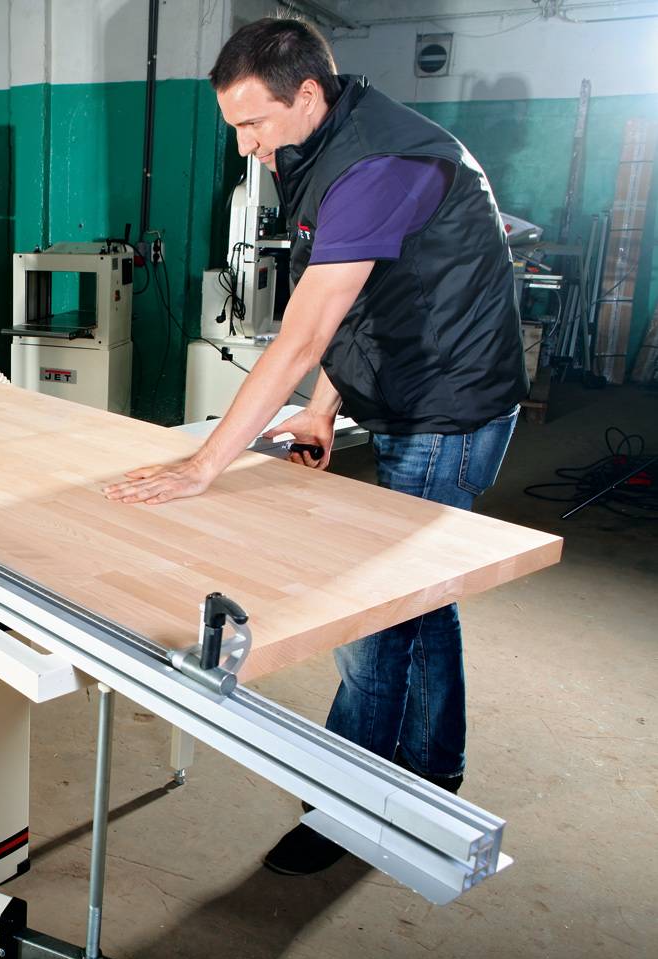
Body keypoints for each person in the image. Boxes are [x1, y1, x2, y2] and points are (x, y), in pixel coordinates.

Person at [102, 18, 527, 875]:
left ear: (306, 94)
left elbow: (301, 335)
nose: (244, 145)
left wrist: (205, 465)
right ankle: (434, 769)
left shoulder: (377, 164)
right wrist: (324, 409)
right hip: (414, 391)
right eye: (234, 127)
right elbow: (369, 299)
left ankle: (345, 813)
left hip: (447, 412)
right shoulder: (325, 143)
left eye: (252, 124)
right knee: (421, 599)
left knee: (370, 617)